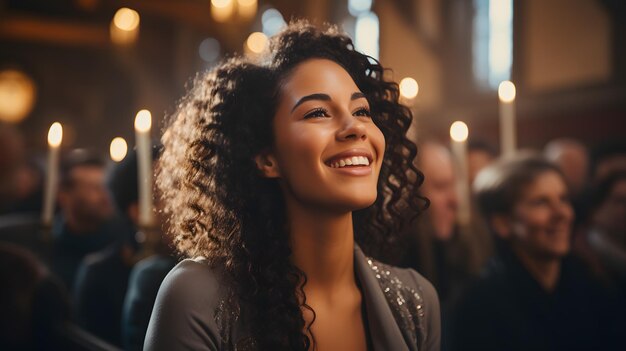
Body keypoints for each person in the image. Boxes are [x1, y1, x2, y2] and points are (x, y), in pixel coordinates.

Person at [146, 21, 440, 351]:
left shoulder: (415, 301)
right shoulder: (197, 297)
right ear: (265, 157)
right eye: (317, 113)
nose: (354, 128)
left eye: (361, 110)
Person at [450, 153, 622, 351]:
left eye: (563, 199)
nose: (562, 213)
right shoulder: (480, 305)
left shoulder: (593, 284)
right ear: (502, 223)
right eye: (541, 202)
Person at [50, 149, 121, 289]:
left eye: (106, 187)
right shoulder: (48, 246)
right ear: (64, 196)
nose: (104, 196)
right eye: (93, 188)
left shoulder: (119, 245)